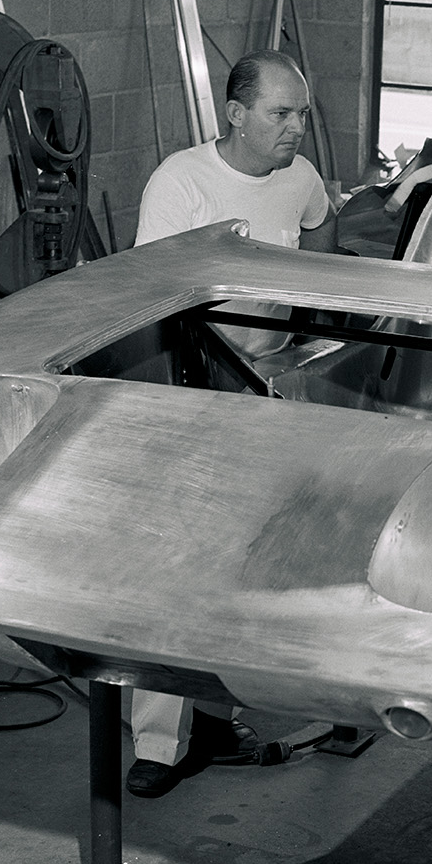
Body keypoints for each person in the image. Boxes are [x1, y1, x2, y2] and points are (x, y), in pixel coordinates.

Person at [126, 49, 335, 798]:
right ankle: (157, 741)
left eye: (303, 113)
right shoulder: (180, 184)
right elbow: (152, 300)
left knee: (263, 565)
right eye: (281, 113)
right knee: (176, 566)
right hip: (195, 394)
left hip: (274, 393)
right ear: (236, 114)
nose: (296, 128)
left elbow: (322, 248)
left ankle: (222, 715)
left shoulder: (302, 181)